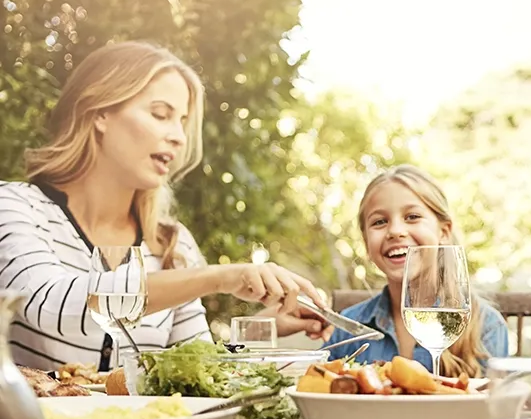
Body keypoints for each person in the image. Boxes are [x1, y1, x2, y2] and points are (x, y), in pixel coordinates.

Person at [0, 41, 329, 371]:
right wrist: (219, 277)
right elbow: (51, 304)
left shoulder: (173, 244)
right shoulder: (16, 207)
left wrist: (260, 329)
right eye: (160, 114)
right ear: (100, 113)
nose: (179, 137)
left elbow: (199, 367)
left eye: (182, 121)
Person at [322, 165, 509, 377]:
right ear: (366, 244)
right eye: (379, 222)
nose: (395, 231)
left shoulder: (485, 326)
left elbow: (494, 406)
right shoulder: (349, 327)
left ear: (444, 232)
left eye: (412, 217)